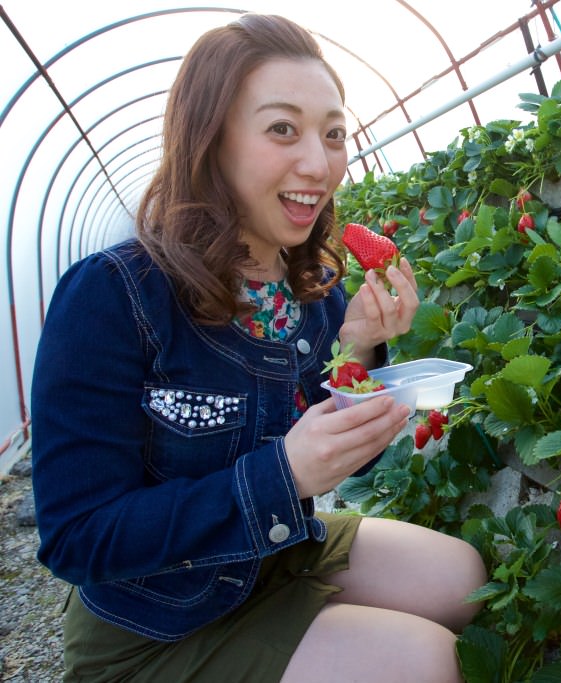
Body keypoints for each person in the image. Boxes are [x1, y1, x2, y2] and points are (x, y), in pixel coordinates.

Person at [30, 13, 487, 682]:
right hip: (159, 621)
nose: (319, 161)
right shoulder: (115, 296)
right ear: (211, 141)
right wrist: (284, 477)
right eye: (282, 129)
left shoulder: (317, 290)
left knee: (463, 577)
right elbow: (77, 536)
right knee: (427, 662)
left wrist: (359, 347)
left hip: (276, 554)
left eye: (334, 133)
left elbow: (341, 454)